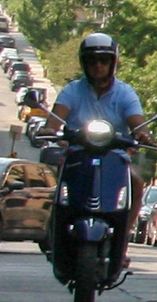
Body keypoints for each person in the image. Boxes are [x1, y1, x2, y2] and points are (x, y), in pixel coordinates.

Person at [33, 32, 148, 278]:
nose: (98, 66)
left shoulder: (125, 92)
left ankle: (123, 241)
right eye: (93, 60)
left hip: (115, 157)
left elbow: (137, 122)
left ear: (112, 63)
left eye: (104, 61)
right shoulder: (72, 90)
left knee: (136, 184)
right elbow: (56, 118)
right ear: (85, 63)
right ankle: (54, 230)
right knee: (61, 187)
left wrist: (144, 134)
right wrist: (49, 129)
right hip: (77, 155)